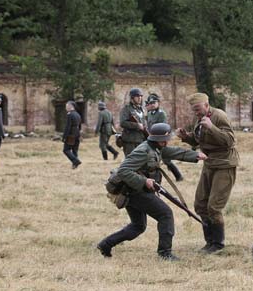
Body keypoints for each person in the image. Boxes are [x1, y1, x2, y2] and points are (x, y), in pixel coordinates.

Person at [97, 123, 207, 261]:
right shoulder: (144, 150)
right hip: (135, 192)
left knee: (138, 226)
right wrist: (144, 181)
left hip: (134, 191)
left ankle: (105, 244)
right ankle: (165, 253)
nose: (168, 141)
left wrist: (196, 155)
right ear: (159, 139)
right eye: (166, 139)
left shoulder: (156, 147)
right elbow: (123, 170)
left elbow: (174, 152)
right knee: (165, 214)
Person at [177, 92, 239, 253]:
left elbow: (230, 141)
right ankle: (209, 242)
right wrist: (186, 137)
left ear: (206, 105)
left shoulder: (219, 116)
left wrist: (212, 127)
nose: (196, 112)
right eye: (194, 110)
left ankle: (218, 244)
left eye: (198, 109)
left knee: (214, 206)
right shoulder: (198, 118)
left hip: (224, 164)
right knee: (200, 204)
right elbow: (198, 140)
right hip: (209, 163)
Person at [145, 93, 183, 182]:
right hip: (152, 138)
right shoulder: (150, 113)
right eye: (150, 103)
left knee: (166, 159)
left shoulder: (161, 114)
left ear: (158, 103)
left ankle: (178, 176)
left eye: (154, 102)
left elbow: (163, 127)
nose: (152, 104)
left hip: (160, 138)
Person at [120, 87, 147, 157]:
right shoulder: (126, 109)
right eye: (137, 96)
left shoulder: (141, 110)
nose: (139, 98)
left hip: (141, 140)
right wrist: (137, 125)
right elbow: (123, 123)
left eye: (141, 96)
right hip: (130, 142)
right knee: (130, 163)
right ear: (132, 97)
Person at [62, 101, 82, 169]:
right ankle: (74, 165)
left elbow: (68, 126)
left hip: (71, 135)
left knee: (66, 150)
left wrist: (64, 137)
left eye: (66, 106)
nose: (66, 108)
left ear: (71, 106)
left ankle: (76, 161)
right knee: (74, 150)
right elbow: (80, 126)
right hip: (77, 134)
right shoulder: (78, 114)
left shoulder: (70, 114)